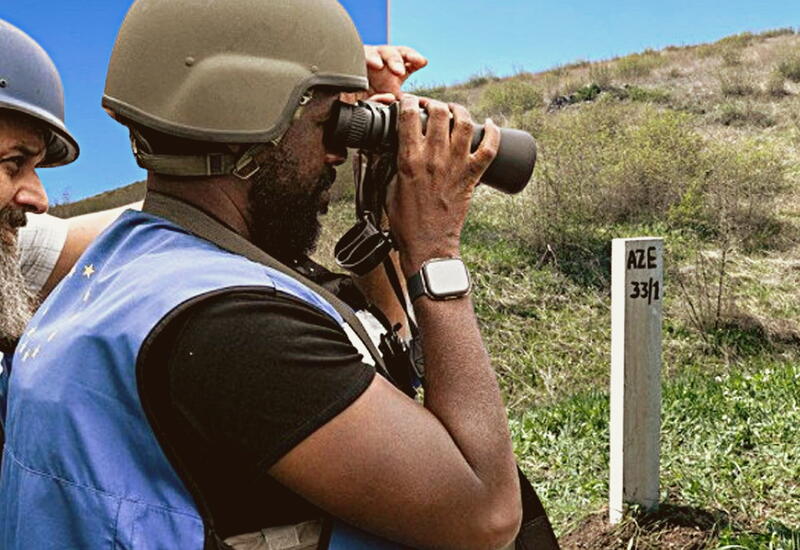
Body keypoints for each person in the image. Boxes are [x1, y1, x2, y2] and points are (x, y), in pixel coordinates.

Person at [0, 1, 532, 549]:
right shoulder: (232, 326)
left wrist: (390, 215)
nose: (337, 154)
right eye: (331, 124)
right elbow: (484, 514)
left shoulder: (120, 276)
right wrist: (436, 251)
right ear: (254, 120)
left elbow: (383, 340)